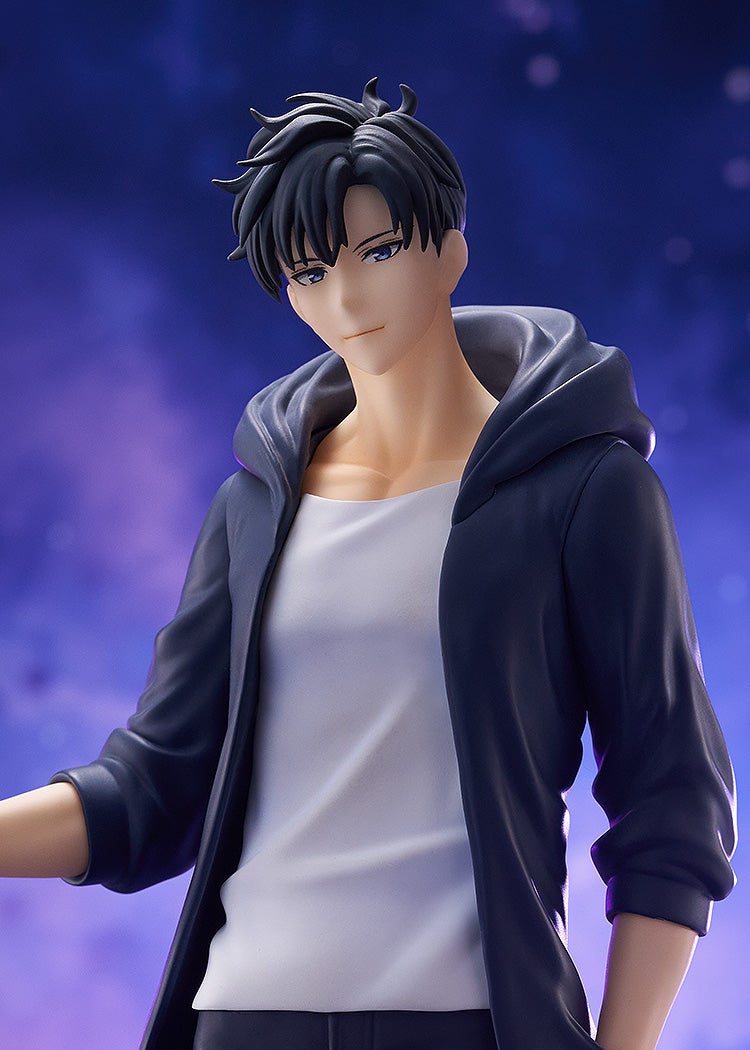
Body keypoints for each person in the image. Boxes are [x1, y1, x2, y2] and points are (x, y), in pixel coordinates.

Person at [0, 79, 737, 1050]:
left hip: (472, 1023)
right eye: (309, 272)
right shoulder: (254, 512)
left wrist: (624, 1043)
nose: (346, 299)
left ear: (451, 249)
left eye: (378, 251)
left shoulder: (586, 492)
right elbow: (156, 790)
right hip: (244, 1018)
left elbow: (670, 800)